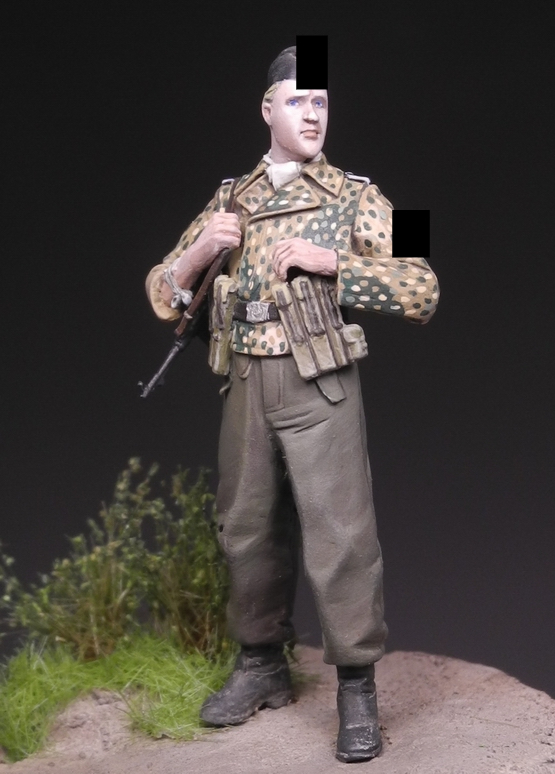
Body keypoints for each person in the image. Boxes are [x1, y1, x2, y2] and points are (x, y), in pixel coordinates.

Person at [145, 45, 439, 763]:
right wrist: (197, 254)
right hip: (245, 379)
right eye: (298, 100)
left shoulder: (360, 193)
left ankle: (358, 688)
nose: (313, 114)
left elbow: (425, 284)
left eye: (322, 102)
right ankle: (260, 665)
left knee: (341, 535)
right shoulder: (229, 196)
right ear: (267, 109)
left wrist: (334, 263)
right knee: (244, 527)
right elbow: (160, 290)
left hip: (320, 379)